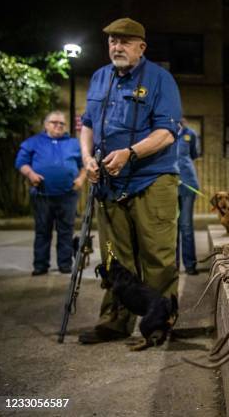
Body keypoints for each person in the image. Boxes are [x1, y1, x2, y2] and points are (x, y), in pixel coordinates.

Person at [77, 17, 182, 344]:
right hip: (109, 183)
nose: (117, 47)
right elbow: (87, 124)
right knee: (114, 258)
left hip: (152, 179)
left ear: (141, 47)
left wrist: (130, 153)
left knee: (157, 256)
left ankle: (159, 322)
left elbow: (167, 133)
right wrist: (87, 158)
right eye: (112, 41)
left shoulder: (160, 80)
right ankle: (114, 320)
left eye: (124, 41)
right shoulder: (99, 78)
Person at [15, 111, 85, 276]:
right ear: (46, 124)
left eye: (62, 123)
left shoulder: (74, 143)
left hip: (68, 194)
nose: (58, 126)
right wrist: (31, 174)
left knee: (66, 231)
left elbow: (84, 164)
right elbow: (21, 162)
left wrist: (81, 179)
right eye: (54, 122)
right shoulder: (33, 142)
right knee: (42, 231)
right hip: (42, 194)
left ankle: (65, 264)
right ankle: (40, 265)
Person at [176, 118, 201, 275]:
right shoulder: (163, 133)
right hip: (168, 185)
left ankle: (190, 265)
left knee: (186, 226)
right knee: (171, 228)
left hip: (187, 184)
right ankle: (173, 265)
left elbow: (193, 155)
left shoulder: (190, 134)